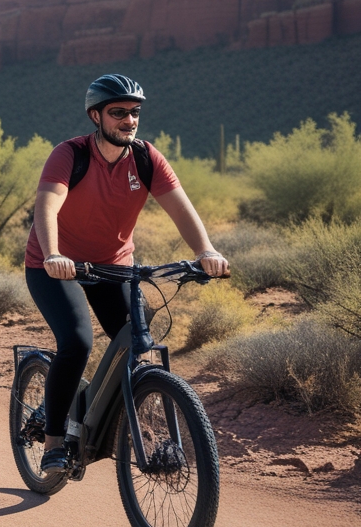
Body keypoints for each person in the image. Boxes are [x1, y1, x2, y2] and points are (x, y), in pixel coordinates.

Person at [26, 74, 229, 473]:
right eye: (118, 113)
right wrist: (53, 254)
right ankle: (53, 441)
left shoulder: (146, 158)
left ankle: (119, 425)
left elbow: (181, 209)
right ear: (96, 116)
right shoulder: (70, 154)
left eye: (134, 113)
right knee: (77, 342)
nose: (129, 120)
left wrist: (205, 250)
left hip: (112, 266)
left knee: (136, 343)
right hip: (55, 266)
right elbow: (47, 206)